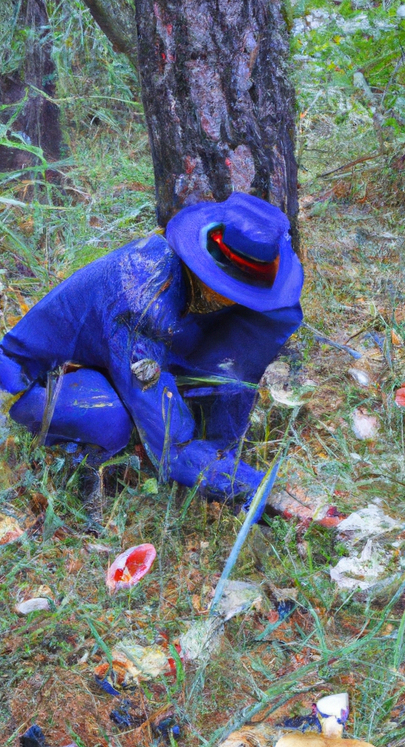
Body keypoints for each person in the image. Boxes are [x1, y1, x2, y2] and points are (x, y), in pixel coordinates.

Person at [0, 191, 307, 517]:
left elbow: (232, 376)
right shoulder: (143, 304)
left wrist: (224, 456)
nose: (247, 300)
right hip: (34, 380)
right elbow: (172, 448)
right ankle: (85, 480)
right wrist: (262, 494)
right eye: (241, 290)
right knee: (111, 419)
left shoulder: (200, 292)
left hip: (106, 362)